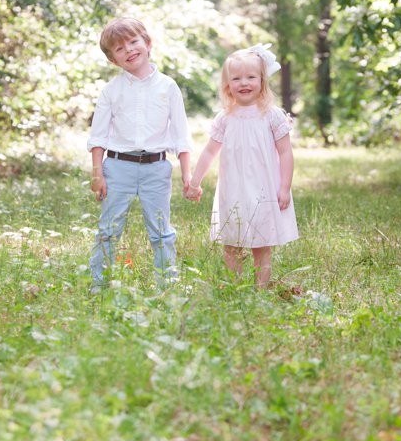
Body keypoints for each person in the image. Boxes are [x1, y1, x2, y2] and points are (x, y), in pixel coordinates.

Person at [87, 17, 191, 293]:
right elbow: (98, 137)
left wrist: (188, 175)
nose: (129, 50)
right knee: (108, 229)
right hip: (118, 166)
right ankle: (99, 283)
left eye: (133, 42)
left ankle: (166, 284)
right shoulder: (111, 91)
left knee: (161, 231)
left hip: (156, 168)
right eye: (119, 49)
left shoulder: (168, 87)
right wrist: (98, 173)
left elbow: (181, 136)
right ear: (113, 60)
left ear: (147, 43)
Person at [186, 45, 298, 287]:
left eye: (250, 77)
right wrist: (195, 182)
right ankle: (234, 287)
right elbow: (209, 152)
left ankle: (261, 289)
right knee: (232, 242)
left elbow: (286, 152)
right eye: (236, 78)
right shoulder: (225, 118)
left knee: (262, 241)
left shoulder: (272, 115)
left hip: (264, 187)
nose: (244, 83)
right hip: (234, 188)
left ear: (262, 80)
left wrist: (284, 187)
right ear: (228, 85)